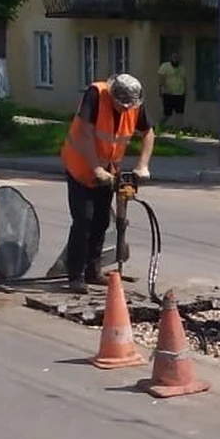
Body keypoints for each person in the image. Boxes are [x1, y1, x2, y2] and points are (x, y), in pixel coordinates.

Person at [60, 74, 156, 295]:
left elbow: (149, 133)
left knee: (101, 221)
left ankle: (93, 271)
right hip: (81, 167)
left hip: (109, 171)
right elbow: (84, 132)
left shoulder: (135, 104)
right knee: (83, 220)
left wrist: (143, 165)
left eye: (128, 107)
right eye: (121, 106)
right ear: (112, 96)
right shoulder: (95, 94)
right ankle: (75, 276)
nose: (125, 110)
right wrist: (95, 169)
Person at [157, 53, 187, 131]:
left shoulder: (182, 68)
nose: (176, 59)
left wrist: (185, 91)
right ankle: (158, 127)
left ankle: (178, 130)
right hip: (168, 93)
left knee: (179, 113)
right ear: (171, 58)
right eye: (174, 57)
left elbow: (184, 80)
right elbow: (161, 78)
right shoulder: (165, 66)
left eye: (177, 58)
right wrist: (165, 88)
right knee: (167, 114)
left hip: (180, 93)